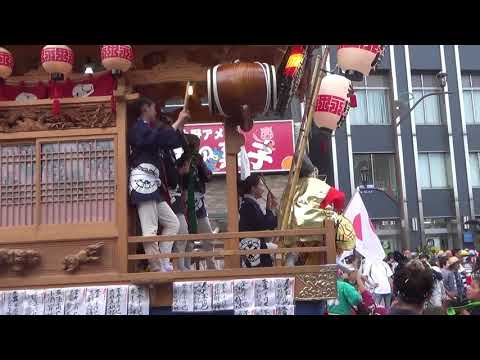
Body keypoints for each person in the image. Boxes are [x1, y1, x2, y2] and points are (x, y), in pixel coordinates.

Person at [128, 97, 189, 272]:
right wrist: (177, 122)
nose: (156, 112)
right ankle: (156, 266)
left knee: (172, 223)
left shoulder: (147, 129)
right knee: (150, 229)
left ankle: (162, 260)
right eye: (154, 107)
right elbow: (157, 139)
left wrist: (179, 125)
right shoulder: (137, 129)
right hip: (142, 183)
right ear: (145, 108)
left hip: (154, 185)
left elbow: (166, 140)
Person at [183, 134, 217, 270]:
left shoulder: (199, 160)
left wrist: (200, 163)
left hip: (198, 202)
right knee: (188, 239)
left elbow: (208, 176)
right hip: (187, 201)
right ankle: (186, 268)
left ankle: (211, 267)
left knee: (207, 236)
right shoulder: (182, 160)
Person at [238, 174, 278, 268]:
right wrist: (270, 208)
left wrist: (269, 207)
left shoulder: (249, 203)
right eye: (261, 185)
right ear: (253, 188)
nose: (263, 189)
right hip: (252, 245)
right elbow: (265, 225)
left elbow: (265, 223)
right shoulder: (249, 204)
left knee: (276, 248)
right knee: (279, 250)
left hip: (253, 243)